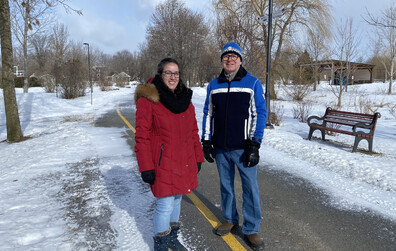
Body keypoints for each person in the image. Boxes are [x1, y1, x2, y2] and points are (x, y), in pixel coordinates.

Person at [201, 42, 267, 250]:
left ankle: (251, 228)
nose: (230, 59)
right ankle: (230, 218)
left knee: (250, 188)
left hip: (244, 147)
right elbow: (208, 114)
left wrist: (255, 144)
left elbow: (260, 113)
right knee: (226, 186)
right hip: (221, 147)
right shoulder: (213, 85)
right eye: (226, 56)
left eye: (234, 56)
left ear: (240, 60)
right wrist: (206, 140)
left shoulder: (252, 83)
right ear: (222, 60)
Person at [134, 58, 204, 251]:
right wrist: (146, 167)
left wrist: (198, 157)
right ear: (160, 75)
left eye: (176, 73)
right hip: (162, 163)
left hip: (184, 162)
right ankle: (161, 244)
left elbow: (192, 132)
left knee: (177, 200)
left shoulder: (185, 100)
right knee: (165, 205)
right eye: (168, 72)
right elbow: (142, 137)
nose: (172, 77)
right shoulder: (149, 100)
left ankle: (172, 238)